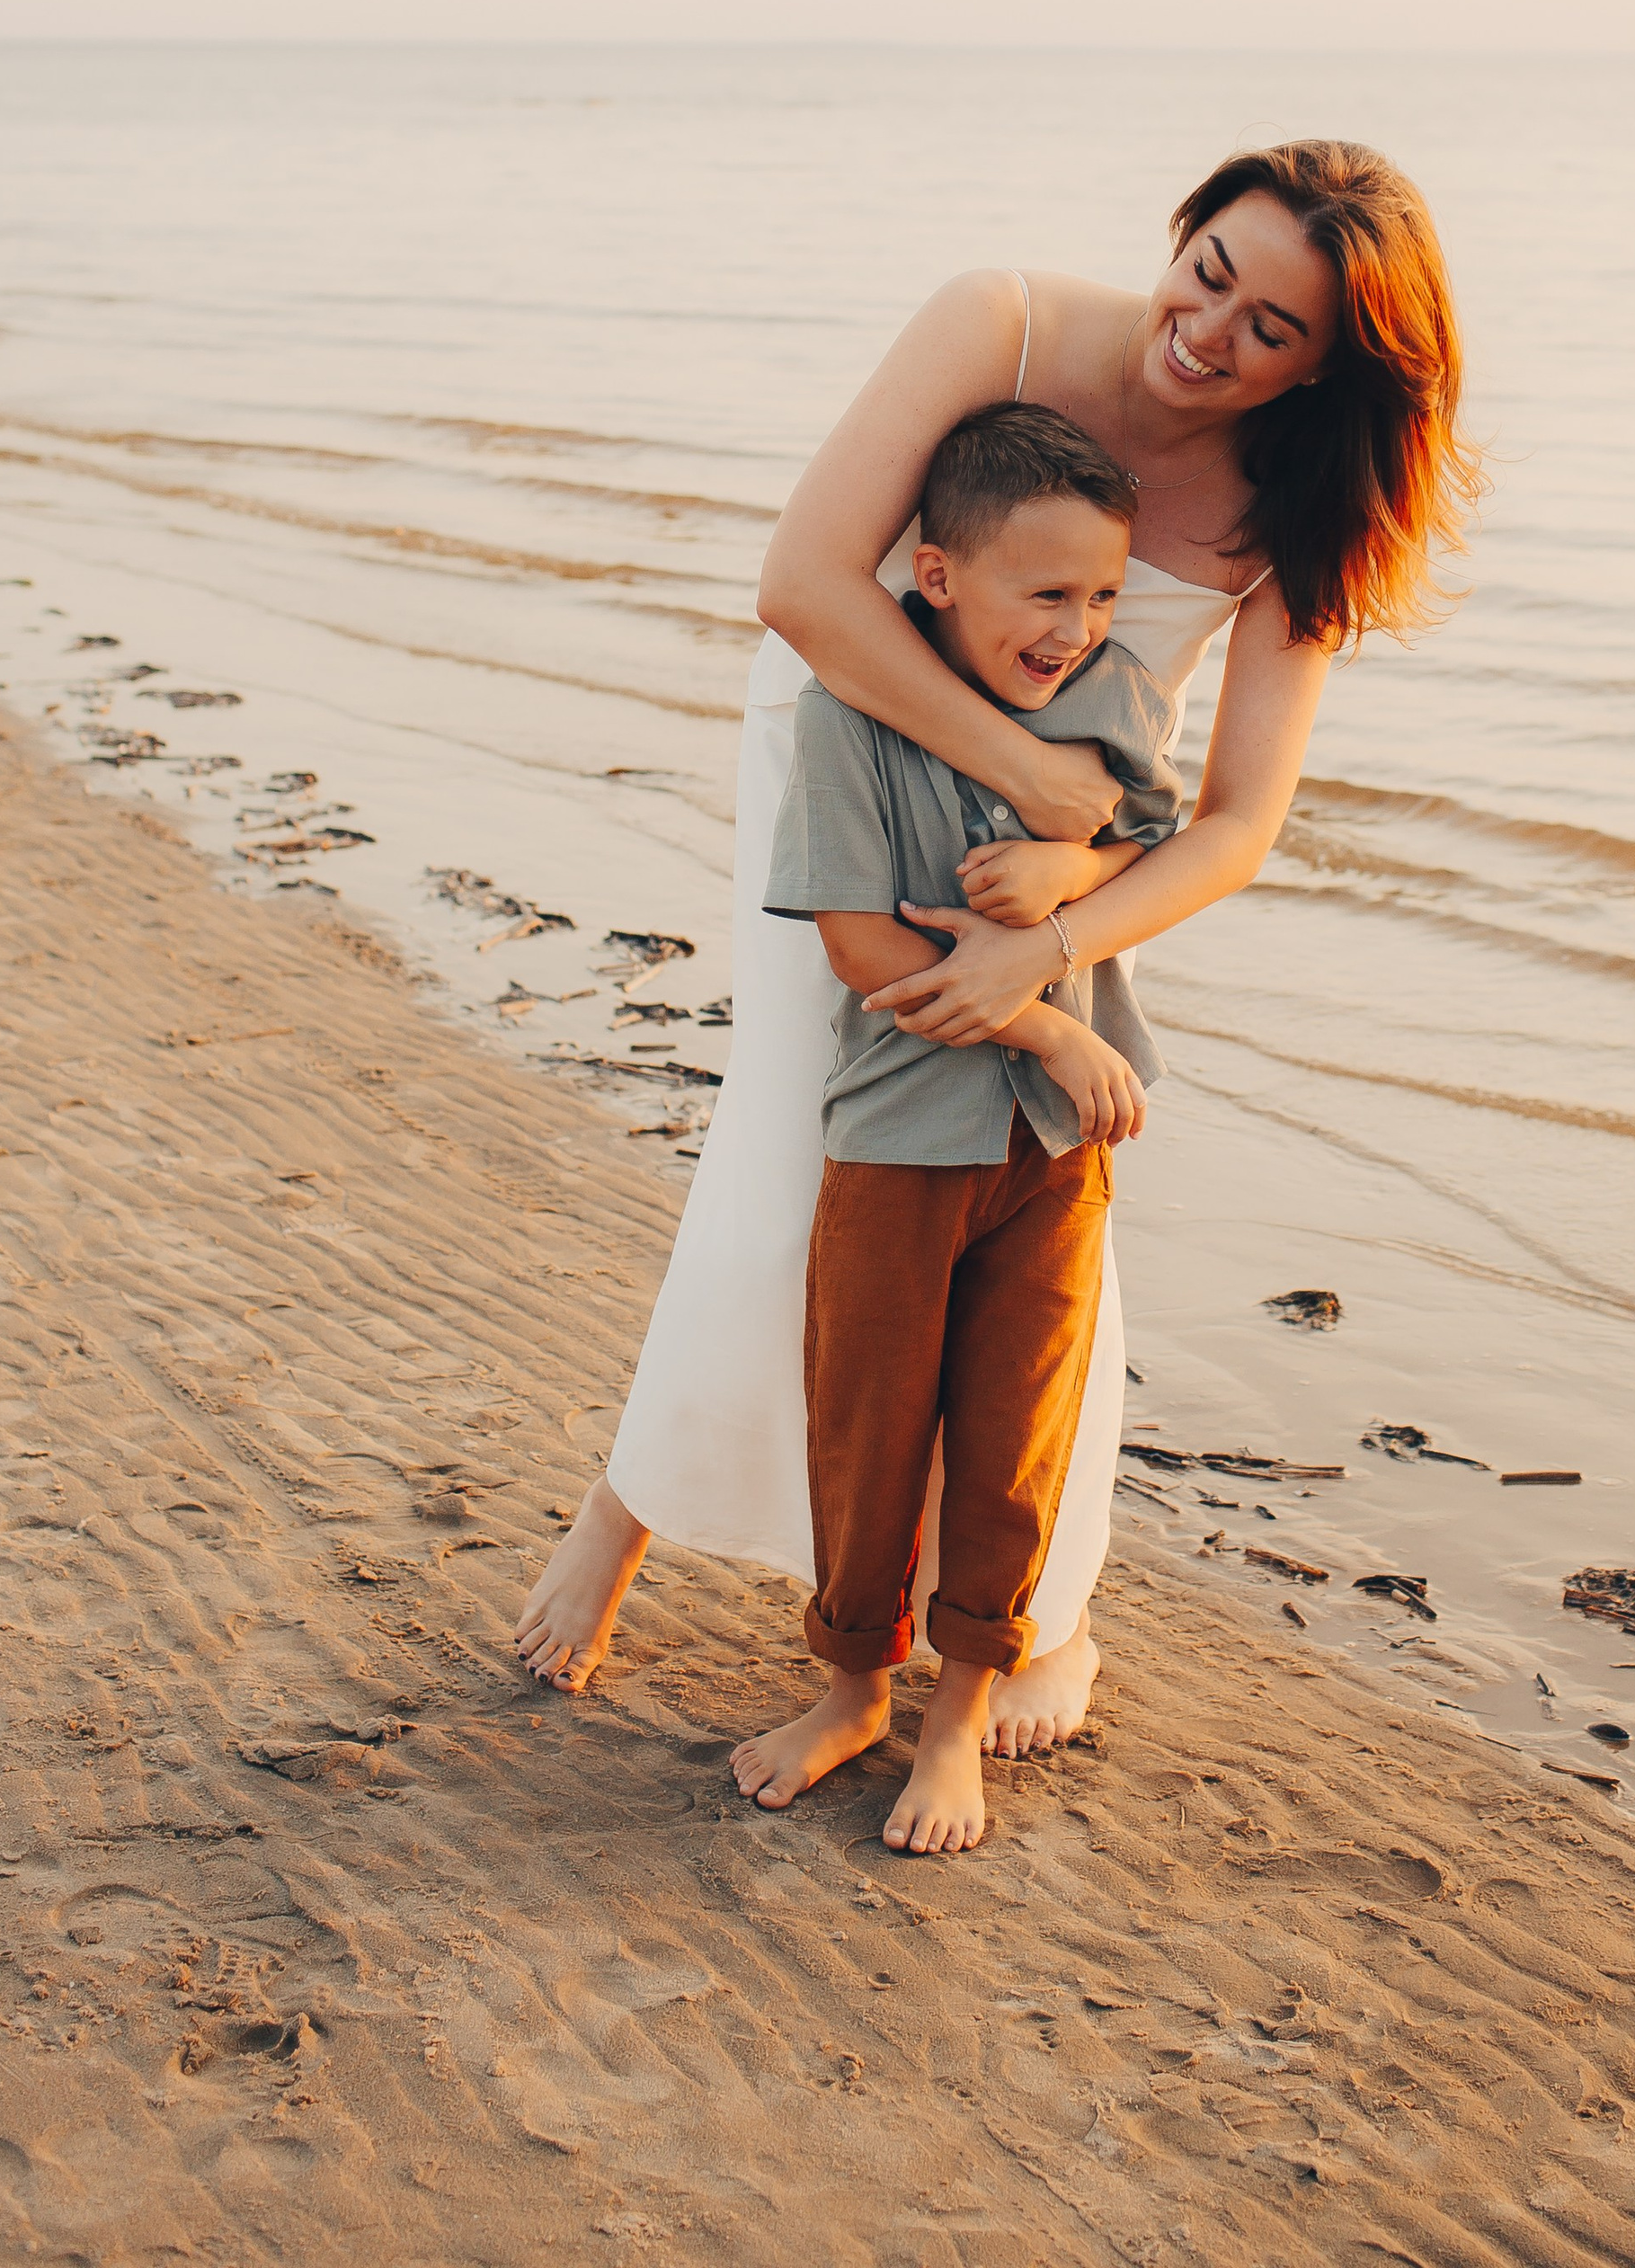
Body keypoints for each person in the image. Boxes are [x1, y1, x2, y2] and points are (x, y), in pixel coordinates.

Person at [514, 139, 1477, 1745]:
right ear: (1183, 236)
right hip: (853, 761)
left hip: (1057, 869)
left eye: (1271, 330)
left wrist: (1065, 926)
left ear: (1332, 368)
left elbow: (1239, 822)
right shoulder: (1004, 325)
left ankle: (1034, 1601)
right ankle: (632, 1503)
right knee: (787, 1144)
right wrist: (1029, 768)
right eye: (1211, 271)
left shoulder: (1299, 510)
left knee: (1026, 1201)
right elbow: (807, 586)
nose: (1210, 329)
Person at [731, 401, 1183, 1851]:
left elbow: (1146, 851)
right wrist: (1048, 1023)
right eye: (1046, 593)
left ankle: (957, 1727)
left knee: (1013, 1438)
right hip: (898, 1135)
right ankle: (852, 1689)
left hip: (1058, 1157)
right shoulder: (845, 714)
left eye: (1103, 594)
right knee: (868, 1429)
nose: (1076, 626)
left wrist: (1070, 860)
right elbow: (863, 950)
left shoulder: (1113, 699)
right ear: (938, 576)